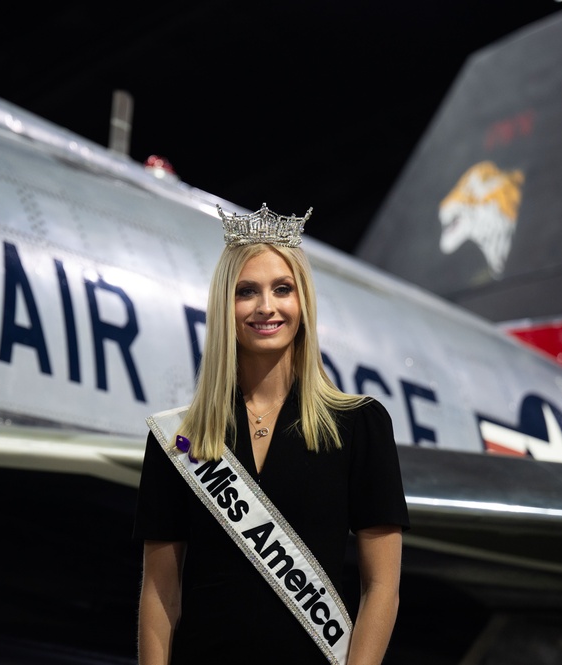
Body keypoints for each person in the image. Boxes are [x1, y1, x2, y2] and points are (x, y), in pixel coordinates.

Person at [133, 203, 409, 665]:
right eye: (246, 292)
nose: (266, 307)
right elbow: (161, 593)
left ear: (303, 302)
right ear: (226, 305)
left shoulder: (359, 424)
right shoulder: (181, 439)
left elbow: (382, 587)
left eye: (283, 289)